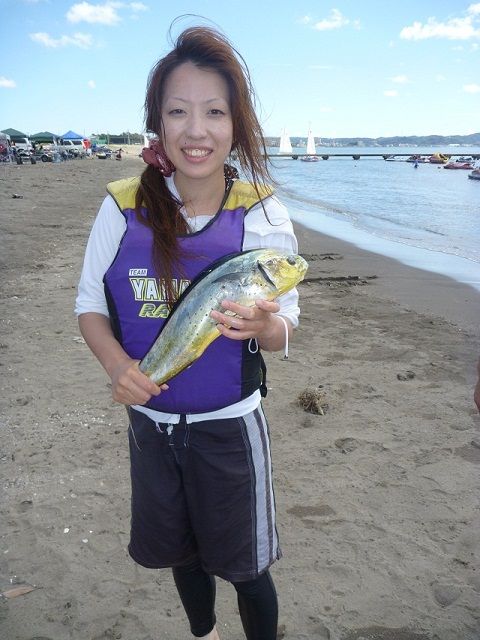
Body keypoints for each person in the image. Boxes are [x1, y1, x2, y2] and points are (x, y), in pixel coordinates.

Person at [75, 25, 301, 640]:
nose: (195, 130)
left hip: (231, 427)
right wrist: (117, 367)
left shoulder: (263, 212)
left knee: (248, 568)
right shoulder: (121, 205)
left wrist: (266, 325)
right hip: (150, 426)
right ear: (158, 122)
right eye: (178, 112)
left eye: (214, 112)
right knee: (183, 553)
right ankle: (204, 635)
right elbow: (90, 304)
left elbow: (287, 327)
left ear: (236, 123)